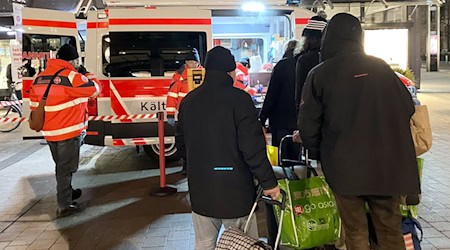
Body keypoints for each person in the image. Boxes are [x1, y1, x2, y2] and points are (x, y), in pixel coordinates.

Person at [298, 13, 420, 250]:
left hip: (344, 168)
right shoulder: (382, 69)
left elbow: (308, 126)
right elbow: (407, 108)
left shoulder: (320, 74)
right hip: (385, 168)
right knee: (389, 229)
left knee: (355, 232)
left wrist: (321, 152)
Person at [175, 46, 280, 250]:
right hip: (236, 191)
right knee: (242, 244)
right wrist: (269, 183)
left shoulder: (188, 102)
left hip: (201, 189)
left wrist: (196, 166)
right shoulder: (240, 100)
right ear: (230, 72)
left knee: (204, 243)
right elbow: (252, 148)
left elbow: (181, 143)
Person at [30, 44, 102, 218]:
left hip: (50, 132)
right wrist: (86, 74)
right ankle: (64, 204)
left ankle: (67, 193)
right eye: (77, 60)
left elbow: (34, 105)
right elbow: (95, 89)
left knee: (61, 166)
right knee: (65, 168)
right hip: (67, 131)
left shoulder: (40, 77)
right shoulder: (71, 76)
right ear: (72, 60)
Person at [259, 39, 301, 148]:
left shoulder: (281, 65)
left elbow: (271, 96)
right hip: (298, 122)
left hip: (280, 122)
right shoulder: (302, 64)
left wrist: (262, 119)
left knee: (281, 155)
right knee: (297, 158)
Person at [166, 48, 201, 175]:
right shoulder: (178, 76)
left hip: (201, 115)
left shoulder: (204, 74)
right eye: (190, 62)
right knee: (183, 141)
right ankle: (186, 166)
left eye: (194, 62)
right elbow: (171, 96)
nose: (192, 65)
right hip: (184, 115)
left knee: (200, 141)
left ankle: (199, 166)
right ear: (186, 63)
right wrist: (170, 114)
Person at [295, 15, 327, 113]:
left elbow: (300, 95)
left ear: (311, 39)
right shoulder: (334, 59)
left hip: (311, 113)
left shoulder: (303, 60)